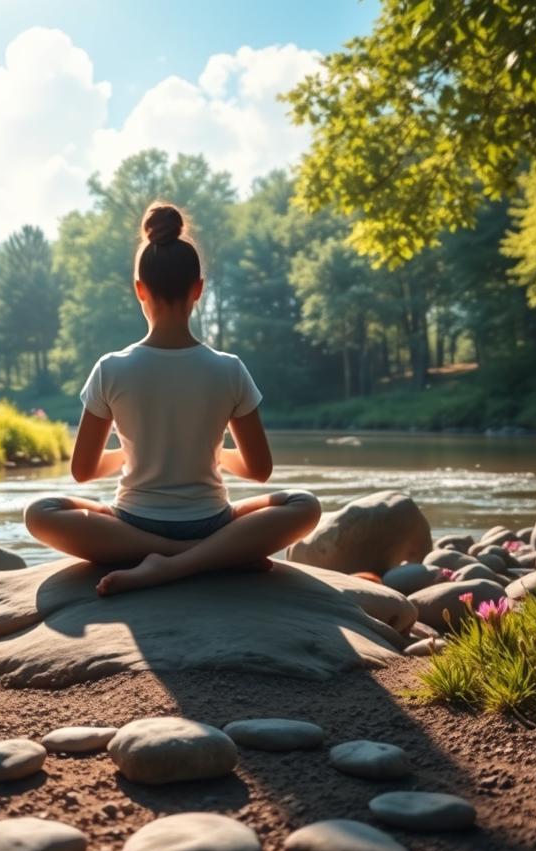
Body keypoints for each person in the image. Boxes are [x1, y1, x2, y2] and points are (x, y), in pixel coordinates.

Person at [25, 203, 321, 596]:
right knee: (305, 504)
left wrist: (130, 455)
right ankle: (202, 556)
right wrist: (216, 455)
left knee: (40, 513)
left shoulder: (111, 368)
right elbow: (260, 470)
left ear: (139, 290)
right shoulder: (229, 368)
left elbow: (82, 471)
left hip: (131, 527)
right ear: (198, 289)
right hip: (213, 522)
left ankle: (163, 559)